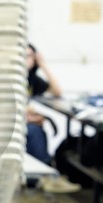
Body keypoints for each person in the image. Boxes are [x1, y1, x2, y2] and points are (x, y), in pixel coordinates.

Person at [22, 44, 79, 194]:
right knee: (35, 132)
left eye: (30, 56)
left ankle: (42, 177)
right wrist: (26, 118)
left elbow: (57, 91)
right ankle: (46, 176)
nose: (26, 60)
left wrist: (43, 65)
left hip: (22, 123)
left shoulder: (32, 79)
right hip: (10, 124)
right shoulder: (10, 78)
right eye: (23, 55)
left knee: (38, 129)